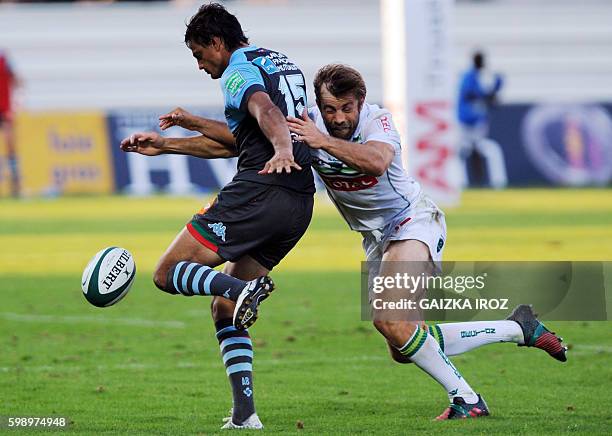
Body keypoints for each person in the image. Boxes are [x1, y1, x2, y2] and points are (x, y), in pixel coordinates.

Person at [286, 64, 567, 420]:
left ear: (361, 103)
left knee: (389, 319)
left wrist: (322, 140)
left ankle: (467, 399)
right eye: (329, 109)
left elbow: (376, 162)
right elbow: (245, 137)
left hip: (412, 221)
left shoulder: (379, 121)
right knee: (403, 346)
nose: (338, 117)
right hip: (375, 237)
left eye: (346, 108)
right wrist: (194, 127)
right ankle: (518, 328)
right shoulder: (306, 123)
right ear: (318, 105)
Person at [120, 3, 314, 429]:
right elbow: (239, 140)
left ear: (216, 42)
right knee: (224, 307)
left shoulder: (237, 71)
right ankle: (245, 415)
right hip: (298, 204)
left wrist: (282, 149)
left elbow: (266, 112)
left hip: (260, 189)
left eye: (198, 53)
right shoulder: (277, 61)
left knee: (167, 272)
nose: (199, 64)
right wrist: (171, 141)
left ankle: (243, 290)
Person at [457, 51, 507, 189]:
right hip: (467, 124)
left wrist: (496, 87)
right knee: (464, 151)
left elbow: (487, 98)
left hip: (476, 124)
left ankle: (495, 182)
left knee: (485, 150)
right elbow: (476, 95)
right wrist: (495, 87)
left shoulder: (477, 77)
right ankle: (461, 183)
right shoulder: (469, 77)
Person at [0, 49, 20, 198]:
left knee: (10, 147)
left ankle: (16, 187)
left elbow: (16, 80)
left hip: (5, 110)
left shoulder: (4, 59)